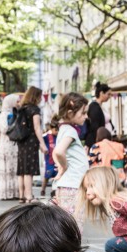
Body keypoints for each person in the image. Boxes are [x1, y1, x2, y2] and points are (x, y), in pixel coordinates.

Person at [51, 92, 91, 229]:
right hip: (73, 187)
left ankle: (69, 249)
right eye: (83, 113)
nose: (86, 116)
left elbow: (57, 153)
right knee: (74, 226)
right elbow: (58, 151)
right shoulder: (70, 131)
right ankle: (73, 250)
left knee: (68, 225)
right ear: (69, 113)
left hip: (69, 186)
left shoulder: (64, 129)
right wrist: (64, 167)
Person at [15, 86, 47, 203]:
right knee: (28, 170)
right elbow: (37, 128)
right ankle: (29, 195)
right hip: (31, 141)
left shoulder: (22, 108)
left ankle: (21, 195)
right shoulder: (34, 110)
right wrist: (43, 144)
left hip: (21, 141)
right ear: (36, 96)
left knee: (21, 169)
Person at [0, 93, 22, 201]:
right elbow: (3, 129)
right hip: (7, 144)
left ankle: (15, 191)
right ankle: (7, 192)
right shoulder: (4, 114)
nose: (18, 103)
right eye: (16, 101)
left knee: (15, 168)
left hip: (14, 144)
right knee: (7, 168)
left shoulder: (15, 113)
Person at [84, 82, 111, 150]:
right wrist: (97, 144)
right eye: (108, 94)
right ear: (101, 93)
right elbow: (94, 127)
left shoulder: (100, 107)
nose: (109, 96)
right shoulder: (94, 108)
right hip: (97, 142)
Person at [40, 119, 59, 198]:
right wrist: (43, 148)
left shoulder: (59, 137)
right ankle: (43, 189)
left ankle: (53, 190)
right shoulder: (46, 137)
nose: (57, 132)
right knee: (47, 175)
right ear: (51, 128)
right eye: (55, 130)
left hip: (57, 160)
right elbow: (40, 142)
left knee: (57, 175)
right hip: (49, 160)